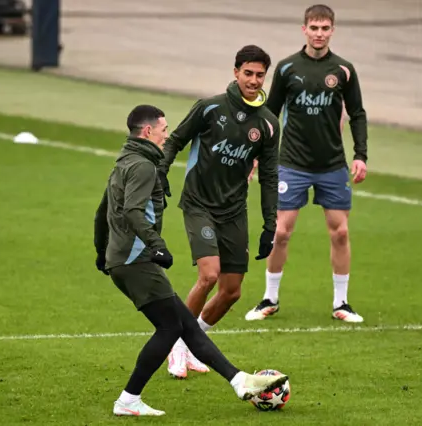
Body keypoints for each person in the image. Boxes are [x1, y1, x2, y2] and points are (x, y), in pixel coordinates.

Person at [93, 104, 287, 416]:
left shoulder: (123, 163)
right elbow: (131, 211)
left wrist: (102, 253)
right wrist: (156, 246)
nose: (166, 134)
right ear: (148, 131)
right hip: (137, 260)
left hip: (123, 261)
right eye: (163, 129)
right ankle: (128, 399)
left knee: (183, 325)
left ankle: (238, 380)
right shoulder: (142, 166)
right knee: (171, 327)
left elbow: (101, 213)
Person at [158, 45, 281, 379]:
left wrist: (271, 225)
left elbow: (269, 177)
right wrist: (161, 172)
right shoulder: (210, 107)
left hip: (233, 211)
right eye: (248, 73)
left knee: (231, 291)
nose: (254, 80)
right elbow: (175, 140)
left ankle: (192, 343)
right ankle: (175, 346)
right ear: (236, 72)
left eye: (260, 75)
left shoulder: (268, 125)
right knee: (209, 275)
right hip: (199, 204)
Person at [245, 4, 368, 323]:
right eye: (313, 28)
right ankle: (269, 298)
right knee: (281, 232)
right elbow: (269, 114)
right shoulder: (287, 69)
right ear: (304, 30)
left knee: (340, 232)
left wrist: (360, 155)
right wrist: (256, 156)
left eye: (325, 28)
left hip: (332, 165)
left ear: (332, 31)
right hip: (292, 164)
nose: (319, 34)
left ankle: (341, 304)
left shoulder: (344, 70)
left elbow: (357, 113)